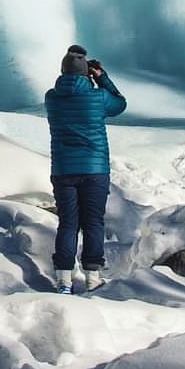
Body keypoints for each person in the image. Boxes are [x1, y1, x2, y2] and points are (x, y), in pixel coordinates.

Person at [45, 44, 127, 294]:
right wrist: (103, 79)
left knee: (68, 223)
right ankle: (92, 277)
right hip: (94, 169)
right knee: (93, 222)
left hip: (63, 170)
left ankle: (64, 281)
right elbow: (120, 104)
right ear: (86, 73)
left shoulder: (52, 97)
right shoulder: (97, 97)